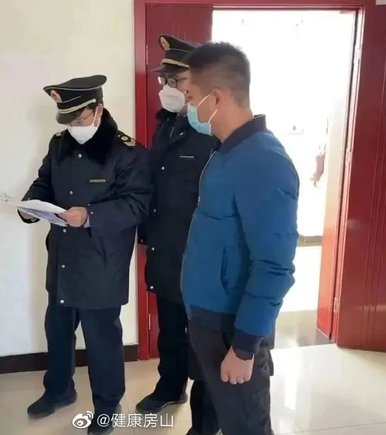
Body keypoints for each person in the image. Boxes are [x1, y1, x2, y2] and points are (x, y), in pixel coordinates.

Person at [19, 75, 151, 435]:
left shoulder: (127, 152)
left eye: (80, 118)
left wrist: (90, 215)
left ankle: (107, 406)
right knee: (57, 330)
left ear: (98, 110)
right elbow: (44, 181)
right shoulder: (59, 144)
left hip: (101, 262)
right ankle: (59, 390)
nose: (74, 126)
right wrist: (30, 205)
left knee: (101, 340)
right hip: (63, 256)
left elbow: (137, 204)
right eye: (68, 120)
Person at [182, 42, 299, 435]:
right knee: (221, 417)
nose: (188, 108)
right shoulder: (227, 152)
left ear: (216, 98)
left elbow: (275, 266)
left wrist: (244, 347)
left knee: (246, 426)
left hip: (232, 328)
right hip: (209, 320)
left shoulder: (263, 161)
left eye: (191, 97)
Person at [135, 35, 219, 435]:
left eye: (176, 79)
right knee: (169, 330)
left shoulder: (214, 130)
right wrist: (145, 234)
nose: (167, 87)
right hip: (166, 250)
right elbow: (156, 186)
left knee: (203, 341)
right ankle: (170, 388)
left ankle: (206, 421)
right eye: (164, 79)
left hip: (199, 257)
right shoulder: (167, 124)